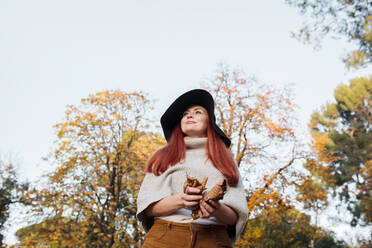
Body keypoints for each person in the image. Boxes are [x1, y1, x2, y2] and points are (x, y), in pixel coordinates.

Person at [136, 89, 248, 248]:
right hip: (165, 239)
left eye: (198, 112)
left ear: (209, 121)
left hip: (213, 240)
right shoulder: (163, 157)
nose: (189, 115)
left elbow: (234, 216)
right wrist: (182, 200)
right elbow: (148, 208)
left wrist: (216, 208)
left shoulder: (226, 160)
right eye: (185, 114)